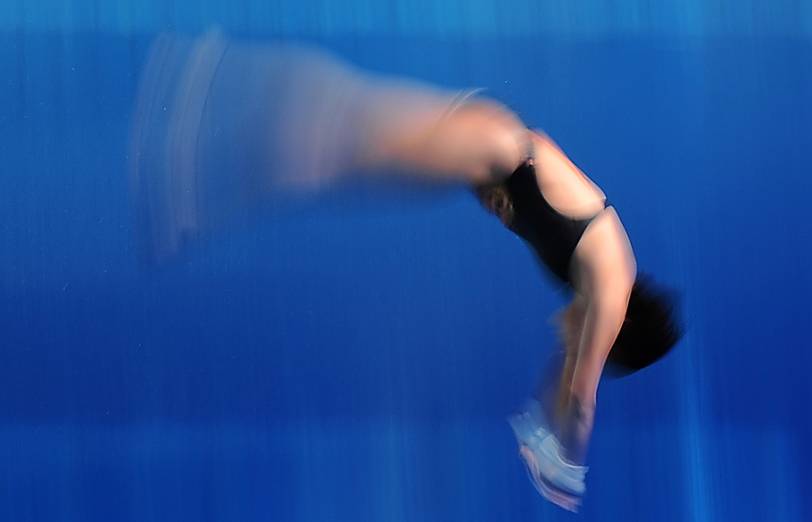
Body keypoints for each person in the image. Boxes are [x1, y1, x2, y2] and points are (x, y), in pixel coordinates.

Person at [130, 31, 682, 512]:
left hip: (489, 144)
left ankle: (207, 146)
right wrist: (568, 470)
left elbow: (565, 383)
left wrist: (542, 438)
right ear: (619, 336)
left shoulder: (602, 279)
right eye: (606, 351)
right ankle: (213, 95)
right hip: (492, 148)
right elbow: (581, 396)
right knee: (332, 144)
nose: (586, 344)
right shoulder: (611, 287)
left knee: (342, 140)